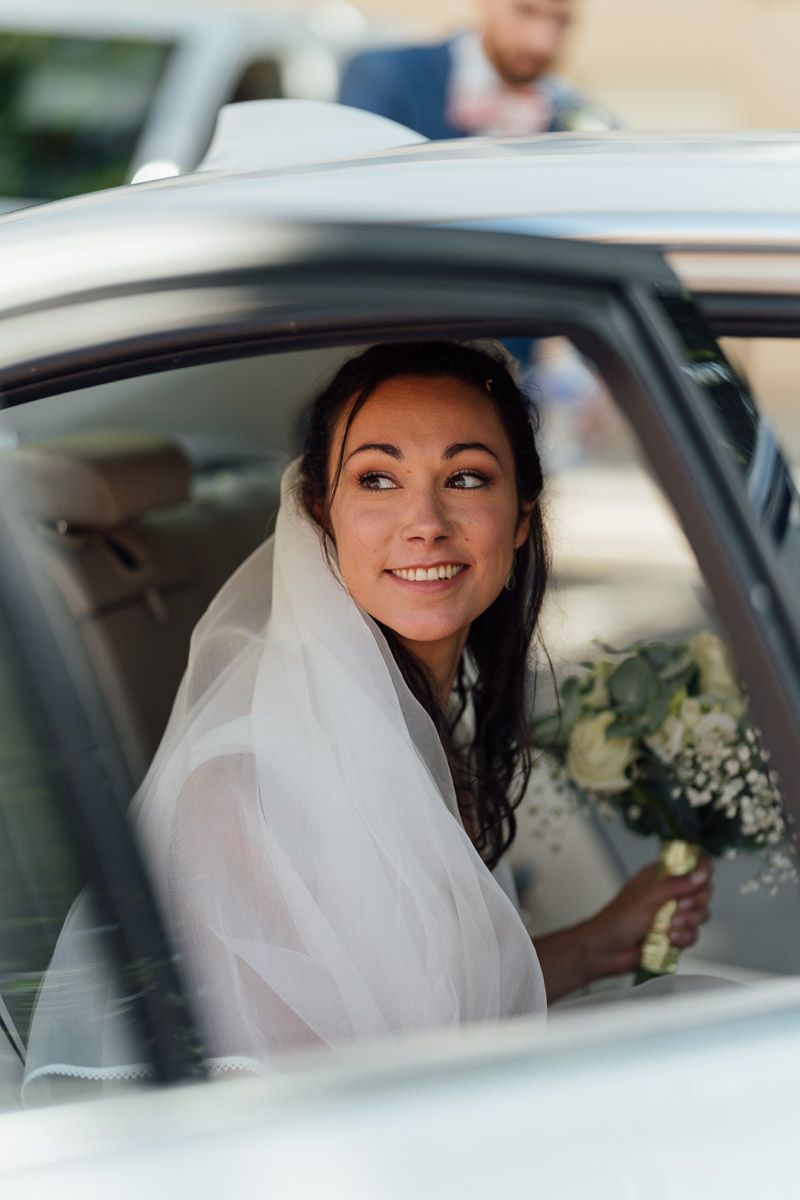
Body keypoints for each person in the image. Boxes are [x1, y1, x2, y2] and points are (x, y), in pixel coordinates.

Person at [24, 342, 710, 1092]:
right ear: (324, 516)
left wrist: (595, 945)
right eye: (377, 479)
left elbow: (421, 1015)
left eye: (466, 477)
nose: (425, 522)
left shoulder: (424, 718)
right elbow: (341, 1114)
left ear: (520, 518)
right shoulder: (247, 795)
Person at [339, 0, 614, 141]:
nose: (541, 41)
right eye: (526, 11)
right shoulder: (383, 76)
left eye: (561, 22)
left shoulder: (573, 111)